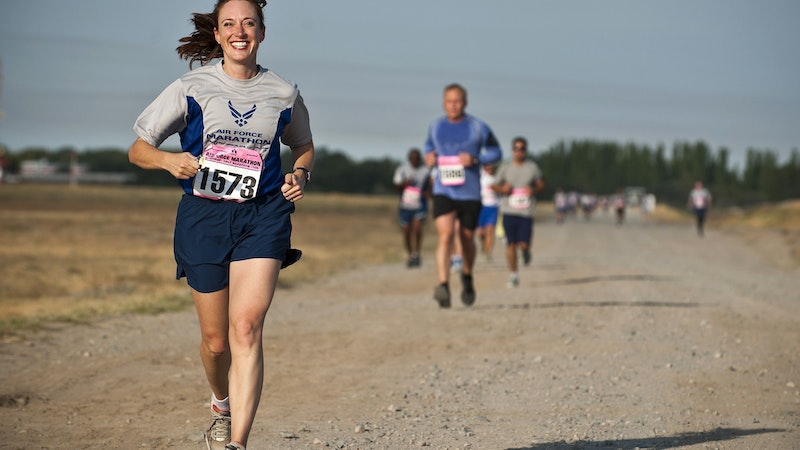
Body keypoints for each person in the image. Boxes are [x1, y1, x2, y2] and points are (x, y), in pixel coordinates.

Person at [128, 1, 315, 449]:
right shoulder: (191, 87)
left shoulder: (283, 93)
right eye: (229, 23)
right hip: (204, 217)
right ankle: (220, 404)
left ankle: (238, 443)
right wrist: (170, 161)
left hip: (263, 214)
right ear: (216, 34)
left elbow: (304, 145)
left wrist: (300, 174)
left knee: (246, 327)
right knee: (216, 343)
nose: (239, 31)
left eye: (248, 23)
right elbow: (138, 149)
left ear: (262, 32)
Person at [424, 83, 502, 308]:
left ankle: (467, 276)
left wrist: (476, 159)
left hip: (469, 192)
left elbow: (496, 152)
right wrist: (429, 157)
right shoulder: (436, 126)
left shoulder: (478, 127)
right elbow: (428, 148)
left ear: (465, 103)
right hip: (444, 190)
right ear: (443, 103)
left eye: (457, 101)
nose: (453, 105)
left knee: (467, 239)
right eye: (449, 101)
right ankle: (443, 285)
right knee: (446, 236)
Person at [492, 137, 544, 288]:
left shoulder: (532, 167)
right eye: (516, 148)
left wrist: (533, 189)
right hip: (508, 210)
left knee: (524, 243)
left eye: (522, 148)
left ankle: (526, 251)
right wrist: (503, 189)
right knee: (510, 244)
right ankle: (513, 274)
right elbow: (494, 185)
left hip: (526, 212)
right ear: (512, 150)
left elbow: (541, 184)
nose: (519, 151)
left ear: (526, 150)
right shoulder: (505, 167)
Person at [392, 148, 431, 268]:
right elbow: (395, 185)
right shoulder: (402, 170)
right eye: (413, 159)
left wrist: (429, 192)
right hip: (405, 205)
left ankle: (417, 253)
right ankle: (410, 255)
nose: (415, 161)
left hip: (420, 204)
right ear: (409, 159)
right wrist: (405, 183)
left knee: (417, 227)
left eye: (417, 159)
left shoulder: (426, 170)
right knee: (406, 230)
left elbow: (431, 184)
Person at [476, 163, 500, 261]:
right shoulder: (480, 175)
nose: (490, 168)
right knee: (480, 233)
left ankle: (488, 252)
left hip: (493, 207)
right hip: (481, 206)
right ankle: (483, 242)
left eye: (492, 166)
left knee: (490, 230)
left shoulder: (497, 177)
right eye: (488, 166)